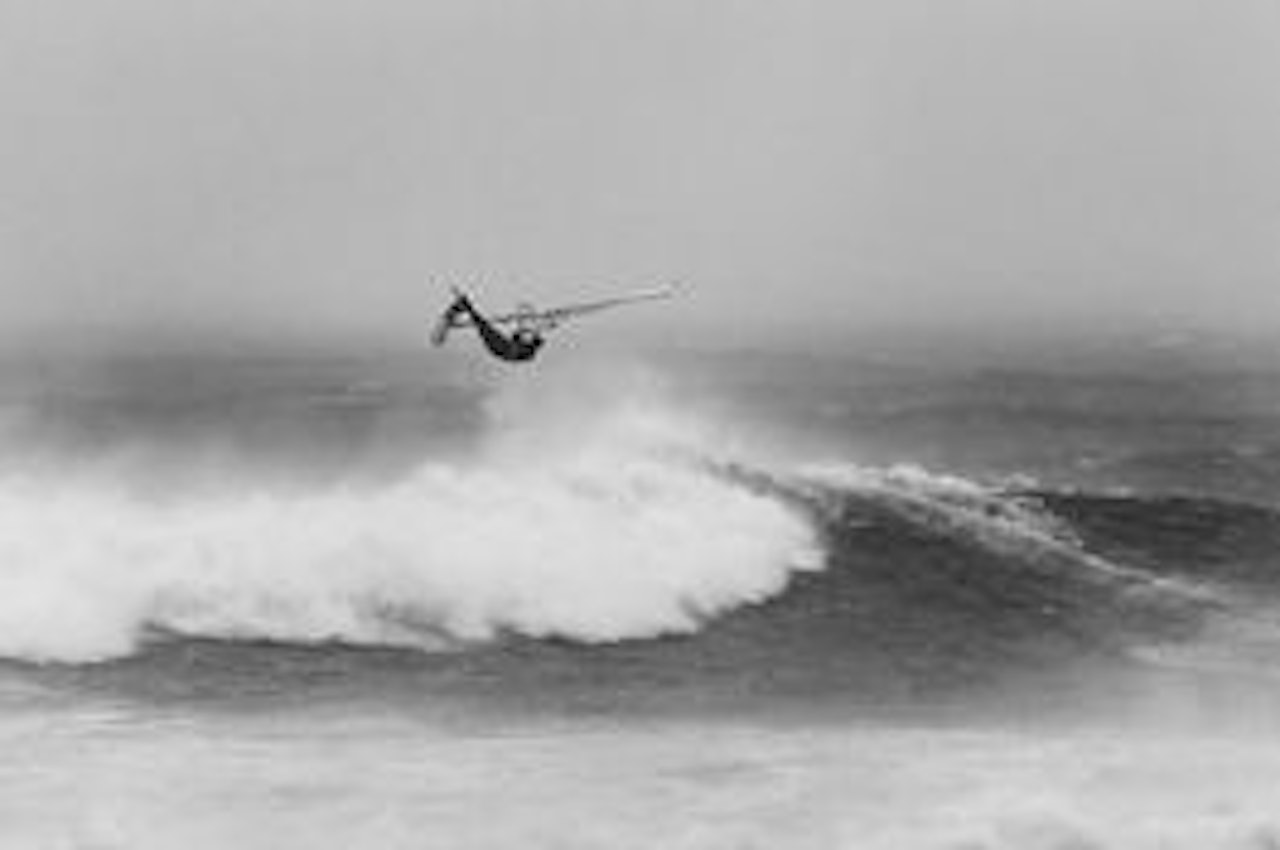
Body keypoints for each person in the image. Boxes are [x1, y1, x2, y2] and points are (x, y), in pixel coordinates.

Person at [449, 293, 544, 362]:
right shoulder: (527, 348)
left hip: (501, 348)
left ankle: (465, 305)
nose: (528, 337)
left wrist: (520, 328)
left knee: (483, 327)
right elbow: (517, 338)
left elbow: (517, 339)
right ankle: (465, 305)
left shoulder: (526, 350)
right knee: (483, 326)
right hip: (502, 349)